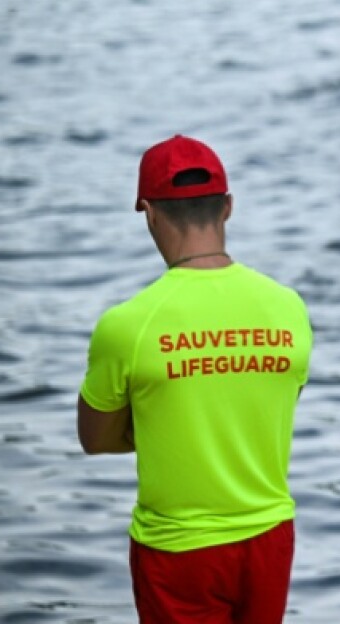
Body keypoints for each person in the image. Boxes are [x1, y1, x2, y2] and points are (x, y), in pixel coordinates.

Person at [77, 134, 313, 623]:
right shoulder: (288, 308)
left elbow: (96, 440)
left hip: (178, 549)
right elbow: (266, 411)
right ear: (228, 207)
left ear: (149, 213)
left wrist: (171, 429)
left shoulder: (127, 324)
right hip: (269, 538)